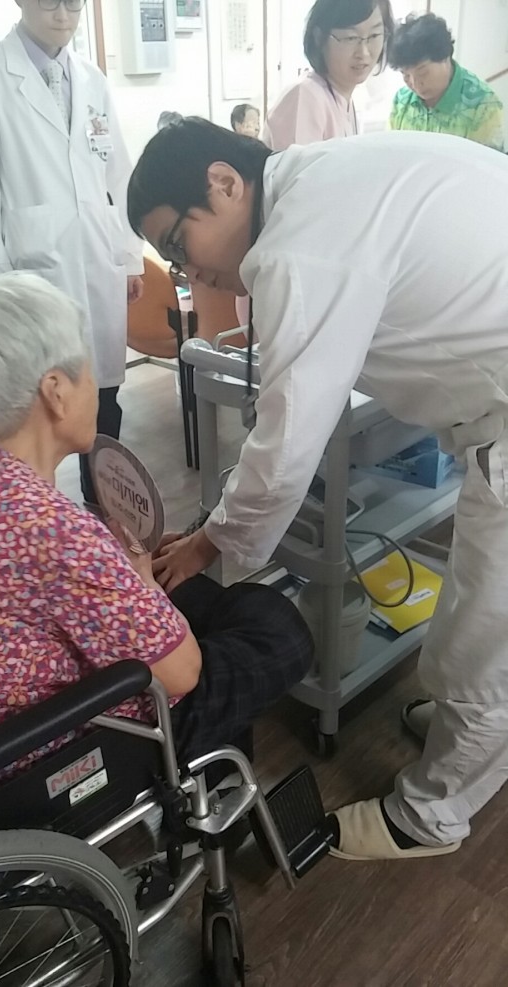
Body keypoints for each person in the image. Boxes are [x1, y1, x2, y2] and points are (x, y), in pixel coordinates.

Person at [127, 116, 508, 861]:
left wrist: (210, 541)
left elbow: (287, 439)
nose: (189, 272)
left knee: (484, 638)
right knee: (477, 605)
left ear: (225, 182)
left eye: (179, 244)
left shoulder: (299, 244)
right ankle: (472, 727)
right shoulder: (317, 180)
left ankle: (431, 815)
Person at [0, 273, 312, 779]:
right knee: (277, 632)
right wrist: (139, 580)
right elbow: (182, 673)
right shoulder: (53, 530)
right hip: (47, 756)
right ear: (55, 392)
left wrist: (121, 569)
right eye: (88, 369)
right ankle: (206, 780)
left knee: (200, 594)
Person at [0, 0, 144, 510]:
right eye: (50, 1)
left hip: (98, 256)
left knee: (102, 398)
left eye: (74, 2)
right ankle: (39, 519)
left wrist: (130, 255)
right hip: (32, 268)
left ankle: (102, 513)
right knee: (37, 407)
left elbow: (118, 173)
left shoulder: (91, 78)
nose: (64, 13)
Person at [262, 0, 394, 150]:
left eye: (374, 35)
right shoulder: (306, 96)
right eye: (350, 38)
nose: (364, 52)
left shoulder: (344, 100)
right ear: (319, 38)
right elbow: (300, 165)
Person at [389, 14, 504, 152]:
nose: (416, 84)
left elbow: (487, 163)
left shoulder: (483, 105)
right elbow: (392, 151)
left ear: (445, 57)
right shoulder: (401, 101)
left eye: (423, 72)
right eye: (406, 75)